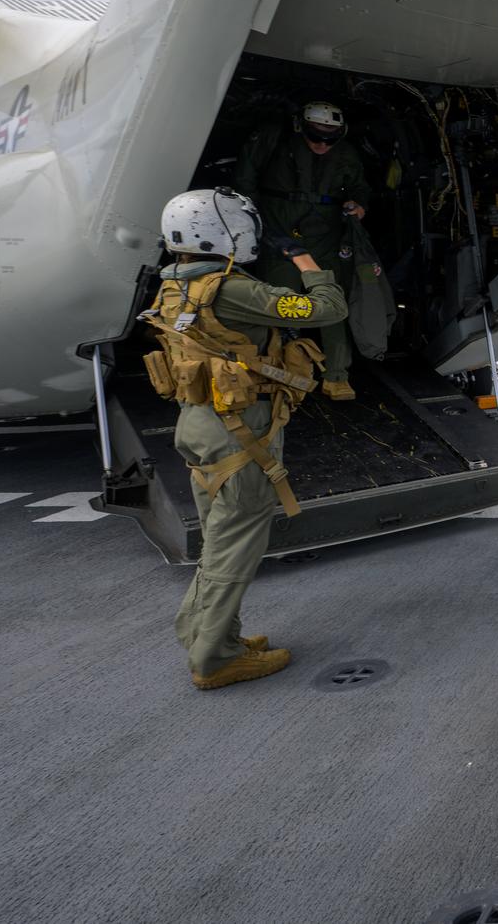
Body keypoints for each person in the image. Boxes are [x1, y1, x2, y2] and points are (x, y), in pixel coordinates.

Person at [148, 188, 348, 690]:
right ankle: (215, 660)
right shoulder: (231, 290)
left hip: (198, 424)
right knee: (236, 543)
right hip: (238, 431)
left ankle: (211, 635)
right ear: (225, 231)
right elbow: (328, 308)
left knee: (219, 538)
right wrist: (304, 258)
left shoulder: (173, 287)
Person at [232, 101, 368, 400]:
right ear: (300, 127)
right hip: (278, 234)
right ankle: (275, 372)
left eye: (330, 138)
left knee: (334, 305)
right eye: (315, 135)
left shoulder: (346, 153)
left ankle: (336, 375)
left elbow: (361, 188)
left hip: (326, 236)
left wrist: (358, 206)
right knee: (279, 303)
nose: (322, 144)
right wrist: (255, 221)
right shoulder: (275, 141)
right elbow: (245, 179)